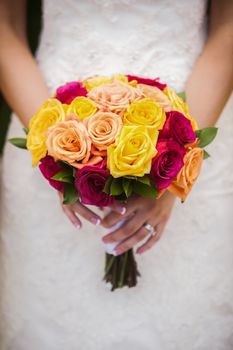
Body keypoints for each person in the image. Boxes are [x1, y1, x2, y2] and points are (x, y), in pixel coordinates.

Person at [0, 0, 232, 349]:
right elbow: (5, 29)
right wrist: (56, 151)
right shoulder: (53, 145)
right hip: (43, 116)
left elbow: (227, 30)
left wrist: (175, 166)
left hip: (196, 113)